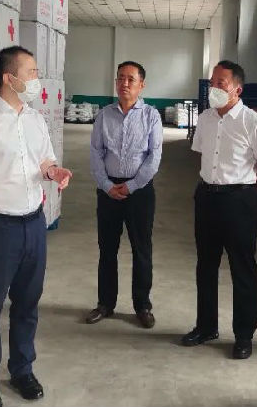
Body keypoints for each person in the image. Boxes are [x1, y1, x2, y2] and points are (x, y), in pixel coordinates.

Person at [0, 46, 73, 407]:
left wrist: (54, 171)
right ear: (10, 78)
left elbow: (45, 161)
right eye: (32, 72)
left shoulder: (36, 119)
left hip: (33, 224)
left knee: (27, 302)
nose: (37, 79)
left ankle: (22, 369)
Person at [181, 60, 257, 360]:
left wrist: (247, 194)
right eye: (212, 82)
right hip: (207, 197)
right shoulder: (206, 119)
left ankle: (244, 335)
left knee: (242, 267)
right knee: (206, 265)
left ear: (237, 89)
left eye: (220, 83)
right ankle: (206, 326)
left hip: (239, 200)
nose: (214, 88)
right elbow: (203, 156)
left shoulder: (254, 122)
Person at [86, 61, 163, 328]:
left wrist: (131, 186)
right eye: (120, 78)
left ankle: (142, 305)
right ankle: (105, 304)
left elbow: (154, 157)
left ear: (142, 85)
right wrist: (107, 185)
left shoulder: (151, 116)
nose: (124, 84)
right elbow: (96, 152)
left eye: (131, 79)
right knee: (107, 249)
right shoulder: (104, 115)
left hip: (140, 192)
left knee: (142, 249)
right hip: (108, 191)